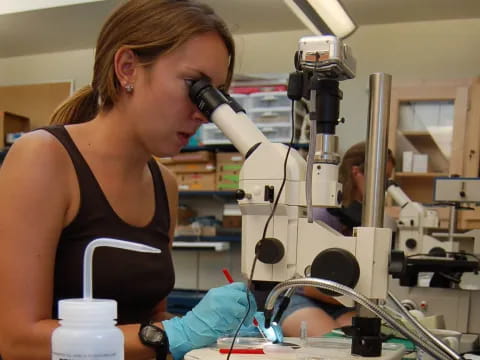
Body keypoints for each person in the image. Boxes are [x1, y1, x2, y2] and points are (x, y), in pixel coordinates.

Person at [0, 1, 263, 360]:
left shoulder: (164, 184)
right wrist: (174, 333)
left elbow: (147, 321)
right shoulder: (43, 158)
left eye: (217, 95)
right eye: (195, 85)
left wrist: (213, 335)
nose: (205, 112)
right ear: (128, 69)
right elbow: (16, 340)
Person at [280, 142, 396, 337]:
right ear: (357, 172)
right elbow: (310, 286)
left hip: (341, 302)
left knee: (366, 339)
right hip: (301, 298)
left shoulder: (366, 218)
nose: (384, 187)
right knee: (332, 343)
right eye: (382, 179)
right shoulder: (324, 214)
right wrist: (362, 299)